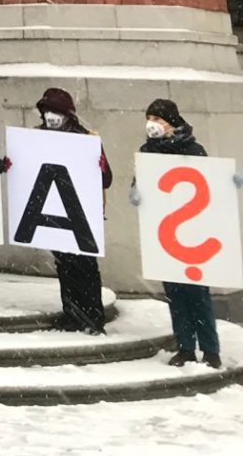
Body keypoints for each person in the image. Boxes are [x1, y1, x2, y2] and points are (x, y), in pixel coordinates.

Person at [129, 99, 228, 369]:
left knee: (197, 294)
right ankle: (185, 346)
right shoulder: (147, 152)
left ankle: (210, 350)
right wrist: (137, 190)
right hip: (166, 235)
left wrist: (228, 184)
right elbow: (141, 183)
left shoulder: (193, 150)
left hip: (193, 235)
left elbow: (208, 186)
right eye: (149, 118)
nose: (152, 124)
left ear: (171, 122)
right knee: (175, 294)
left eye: (158, 119)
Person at [18, 87, 110, 334]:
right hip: (53, 209)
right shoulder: (36, 137)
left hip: (79, 212)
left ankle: (93, 317)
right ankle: (71, 313)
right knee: (64, 265)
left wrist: (100, 166)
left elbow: (107, 178)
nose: (50, 116)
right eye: (47, 111)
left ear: (67, 114)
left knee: (86, 267)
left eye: (55, 111)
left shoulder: (87, 138)